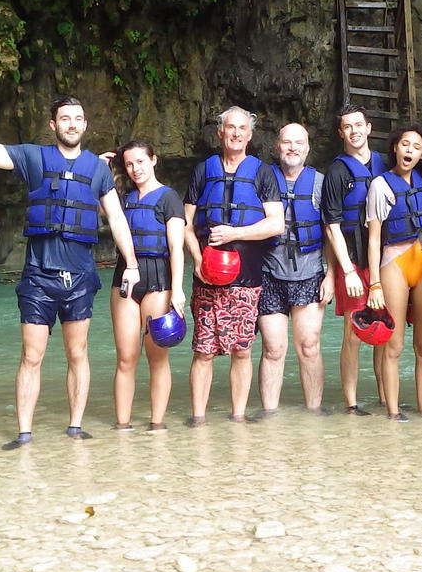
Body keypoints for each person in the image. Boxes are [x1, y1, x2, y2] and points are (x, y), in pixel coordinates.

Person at [0, 92, 139, 449]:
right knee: (31, 355)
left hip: (81, 276)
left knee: (77, 353)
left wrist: (131, 264)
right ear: (53, 125)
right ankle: (24, 433)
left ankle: (75, 427)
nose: (73, 124)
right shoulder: (33, 157)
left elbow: (116, 218)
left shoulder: (98, 169)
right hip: (39, 276)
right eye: (65, 119)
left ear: (85, 125)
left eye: (78, 119)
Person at [183, 107, 286, 424]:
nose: (236, 133)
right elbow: (185, 225)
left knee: (242, 350)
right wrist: (197, 261)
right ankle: (198, 418)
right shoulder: (203, 170)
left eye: (242, 128)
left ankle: (237, 417)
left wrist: (236, 233)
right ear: (220, 132)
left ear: (250, 135)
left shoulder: (262, 172)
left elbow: (276, 224)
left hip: (246, 277)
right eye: (231, 128)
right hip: (206, 276)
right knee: (203, 350)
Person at [108, 141, 187, 432]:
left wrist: (177, 289)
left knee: (157, 355)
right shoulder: (123, 199)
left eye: (140, 161)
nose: (135, 169)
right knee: (126, 357)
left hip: (158, 281)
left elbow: (177, 249)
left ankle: (156, 424)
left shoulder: (169, 198)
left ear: (153, 160)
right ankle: (122, 425)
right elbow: (102, 207)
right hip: (126, 280)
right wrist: (101, 171)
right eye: (129, 164)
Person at [365, 126, 422, 421]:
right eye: (405, 144)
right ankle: (394, 412)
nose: (410, 150)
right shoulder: (380, 186)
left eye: (416, 147)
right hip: (394, 264)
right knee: (393, 344)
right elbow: (373, 238)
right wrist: (374, 284)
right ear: (395, 148)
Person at [256, 123, 333, 415]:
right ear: (277, 146)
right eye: (287, 142)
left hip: (310, 272)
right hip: (269, 273)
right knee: (273, 349)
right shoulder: (263, 179)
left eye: (298, 143)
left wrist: (332, 275)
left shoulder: (320, 183)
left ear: (308, 148)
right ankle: (269, 416)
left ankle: (314, 413)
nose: (292, 148)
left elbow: (331, 232)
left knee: (309, 346)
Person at [322, 105, 388, 415]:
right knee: (354, 331)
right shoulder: (336, 171)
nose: (354, 131)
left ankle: (384, 396)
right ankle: (351, 402)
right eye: (347, 127)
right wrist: (345, 269)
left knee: (383, 325)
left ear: (369, 127)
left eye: (358, 125)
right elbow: (331, 224)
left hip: (382, 257)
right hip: (353, 259)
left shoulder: (383, 164)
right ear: (341, 133)